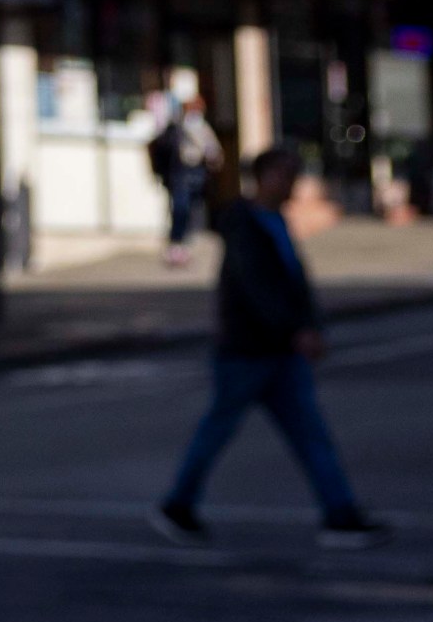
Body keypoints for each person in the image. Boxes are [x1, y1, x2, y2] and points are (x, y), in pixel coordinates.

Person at [149, 147, 388, 548]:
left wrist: (308, 326)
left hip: (279, 354)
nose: (291, 183)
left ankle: (339, 512)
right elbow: (257, 288)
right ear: (263, 177)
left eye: (295, 174)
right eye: (284, 174)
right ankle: (178, 505)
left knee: (310, 434)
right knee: (218, 431)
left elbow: (295, 283)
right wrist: (296, 329)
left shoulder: (275, 222)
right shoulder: (245, 224)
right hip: (246, 351)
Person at [152, 89, 220, 267]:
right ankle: (176, 246)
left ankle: (182, 247)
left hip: (195, 173)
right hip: (180, 173)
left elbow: (213, 151)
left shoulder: (201, 127)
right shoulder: (178, 127)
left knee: (189, 210)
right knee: (180, 209)